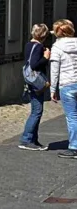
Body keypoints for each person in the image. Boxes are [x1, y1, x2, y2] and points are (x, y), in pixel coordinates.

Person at [20, 23, 51, 151]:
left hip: (30, 80)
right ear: (44, 35)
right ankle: (26, 140)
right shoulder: (38, 47)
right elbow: (34, 65)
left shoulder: (28, 45)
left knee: (36, 110)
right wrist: (46, 57)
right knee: (36, 111)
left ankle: (33, 139)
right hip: (36, 81)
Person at [50, 19, 77, 158]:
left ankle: (74, 147)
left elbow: (54, 70)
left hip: (67, 84)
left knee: (72, 117)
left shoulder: (57, 47)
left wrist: (52, 89)